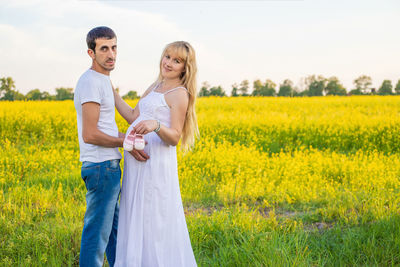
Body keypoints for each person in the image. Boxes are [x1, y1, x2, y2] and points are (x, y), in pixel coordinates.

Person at [113, 41, 199, 266]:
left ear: (185, 67)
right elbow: (133, 116)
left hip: (156, 166)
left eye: (177, 61)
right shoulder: (154, 87)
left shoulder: (180, 93)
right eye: (167, 56)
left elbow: (174, 138)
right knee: (135, 215)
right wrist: (111, 92)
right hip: (137, 165)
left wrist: (156, 125)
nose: (169, 63)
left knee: (154, 219)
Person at [74, 26, 148, 267]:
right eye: (104, 48)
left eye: (114, 47)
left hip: (108, 166)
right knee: (96, 236)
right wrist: (125, 141)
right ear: (91, 53)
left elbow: (123, 120)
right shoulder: (90, 82)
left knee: (116, 235)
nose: (111, 54)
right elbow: (91, 134)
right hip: (101, 166)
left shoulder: (104, 81)